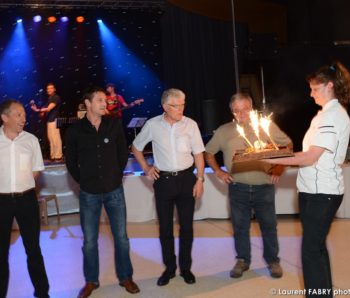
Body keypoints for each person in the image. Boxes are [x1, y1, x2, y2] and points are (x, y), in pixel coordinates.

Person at [263, 61, 350, 297]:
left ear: (329, 86)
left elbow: (310, 157)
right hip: (314, 192)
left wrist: (271, 158)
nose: (311, 93)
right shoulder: (324, 115)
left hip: (321, 194)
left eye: (315, 88)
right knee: (317, 248)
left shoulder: (332, 116)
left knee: (311, 252)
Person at [204, 92, 292, 279]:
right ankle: (243, 260)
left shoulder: (265, 127)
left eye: (245, 109)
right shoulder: (224, 130)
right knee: (240, 227)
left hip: (264, 187)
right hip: (238, 188)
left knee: (269, 226)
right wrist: (218, 172)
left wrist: (278, 170)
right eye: (237, 111)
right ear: (231, 112)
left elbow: (288, 145)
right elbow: (209, 152)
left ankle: (273, 261)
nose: (241, 114)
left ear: (252, 109)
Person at [64, 86, 140, 298]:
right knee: (89, 241)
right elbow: (70, 161)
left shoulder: (114, 124)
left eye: (105, 100)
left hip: (114, 189)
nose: (105, 103)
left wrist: (116, 176)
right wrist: (83, 181)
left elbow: (122, 155)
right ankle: (90, 281)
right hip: (89, 193)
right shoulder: (75, 130)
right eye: (99, 100)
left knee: (122, 237)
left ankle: (126, 277)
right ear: (88, 104)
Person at [0, 99, 50, 298]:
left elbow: (35, 171)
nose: (23, 118)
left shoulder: (31, 140)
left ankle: (43, 294)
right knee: (0, 255)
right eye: (18, 115)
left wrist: (20, 186)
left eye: (24, 115)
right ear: (4, 117)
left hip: (27, 201)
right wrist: (0, 188)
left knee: (33, 250)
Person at [131, 88, 205, 286]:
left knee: (187, 227)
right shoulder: (153, 125)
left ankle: (186, 268)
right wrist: (146, 167)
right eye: (176, 105)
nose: (181, 108)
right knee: (165, 228)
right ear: (165, 106)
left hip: (187, 179)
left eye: (183, 104)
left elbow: (198, 153)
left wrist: (200, 179)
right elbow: (136, 147)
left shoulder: (190, 125)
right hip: (163, 182)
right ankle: (170, 269)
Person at [31, 83, 63, 161]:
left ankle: (58, 156)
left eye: (51, 88)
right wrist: (39, 111)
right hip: (50, 121)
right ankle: (53, 156)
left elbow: (48, 109)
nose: (49, 90)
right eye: (48, 88)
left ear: (54, 89)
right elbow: (44, 109)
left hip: (55, 120)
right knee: (51, 139)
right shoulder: (49, 99)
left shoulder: (56, 97)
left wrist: (38, 110)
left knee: (56, 138)